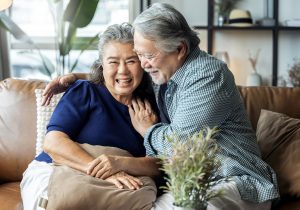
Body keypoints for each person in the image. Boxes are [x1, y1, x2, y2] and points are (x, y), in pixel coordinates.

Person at [43, 3, 280, 210]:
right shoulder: (163, 72)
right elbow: (121, 73)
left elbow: (179, 145)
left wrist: (148, 130)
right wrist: (76, 77)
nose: (143, 64)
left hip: (235, 181)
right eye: (140, 55)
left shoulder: (208, 76)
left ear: (179, 49)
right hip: (193, 182)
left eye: (147, 56)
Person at [20, 23, 162, 210]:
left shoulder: (151, 107)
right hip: (60, 170)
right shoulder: (86, 91)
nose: (123, 71)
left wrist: (148, 133)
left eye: (131, 61)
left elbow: (160, 166)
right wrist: (104, 171)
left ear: (143, 63)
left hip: (120, 183)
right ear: (101, 65)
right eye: (113, 62)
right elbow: (53, 142)